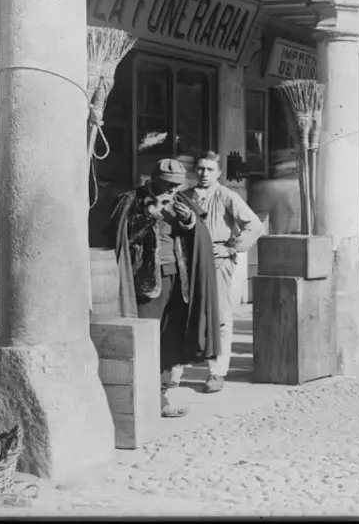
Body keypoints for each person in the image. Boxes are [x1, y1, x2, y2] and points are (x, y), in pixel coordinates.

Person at [112, 156, 219, 419]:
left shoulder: (181, 201)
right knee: (147, 340)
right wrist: (148, 217)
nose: (173, 191)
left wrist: (189, 223)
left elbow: (199, 236)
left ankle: (160, 393)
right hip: (145, 283)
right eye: (169, 186)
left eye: (177, 186)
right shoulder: (132, 201)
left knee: (168, 339)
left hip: (177, 280)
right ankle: (149, 399)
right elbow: (120, 238)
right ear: (155, 180)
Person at [185, 152, 262, 393]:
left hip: (218, 263)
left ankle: (216, 372)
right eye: (200, 169)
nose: (204, 174)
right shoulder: (185, 197)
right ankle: (175, 372)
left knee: (218, 317)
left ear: (218, 173)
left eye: (210, 169)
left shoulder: (227, 196)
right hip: (189, 263)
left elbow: (255, 226)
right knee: (186, 315)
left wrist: (230, 248)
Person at [247, 150, 302, 236]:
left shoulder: (265, 188)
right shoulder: (307, 188)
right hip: (304, 241)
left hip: (275, 242)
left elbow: (255, 221)